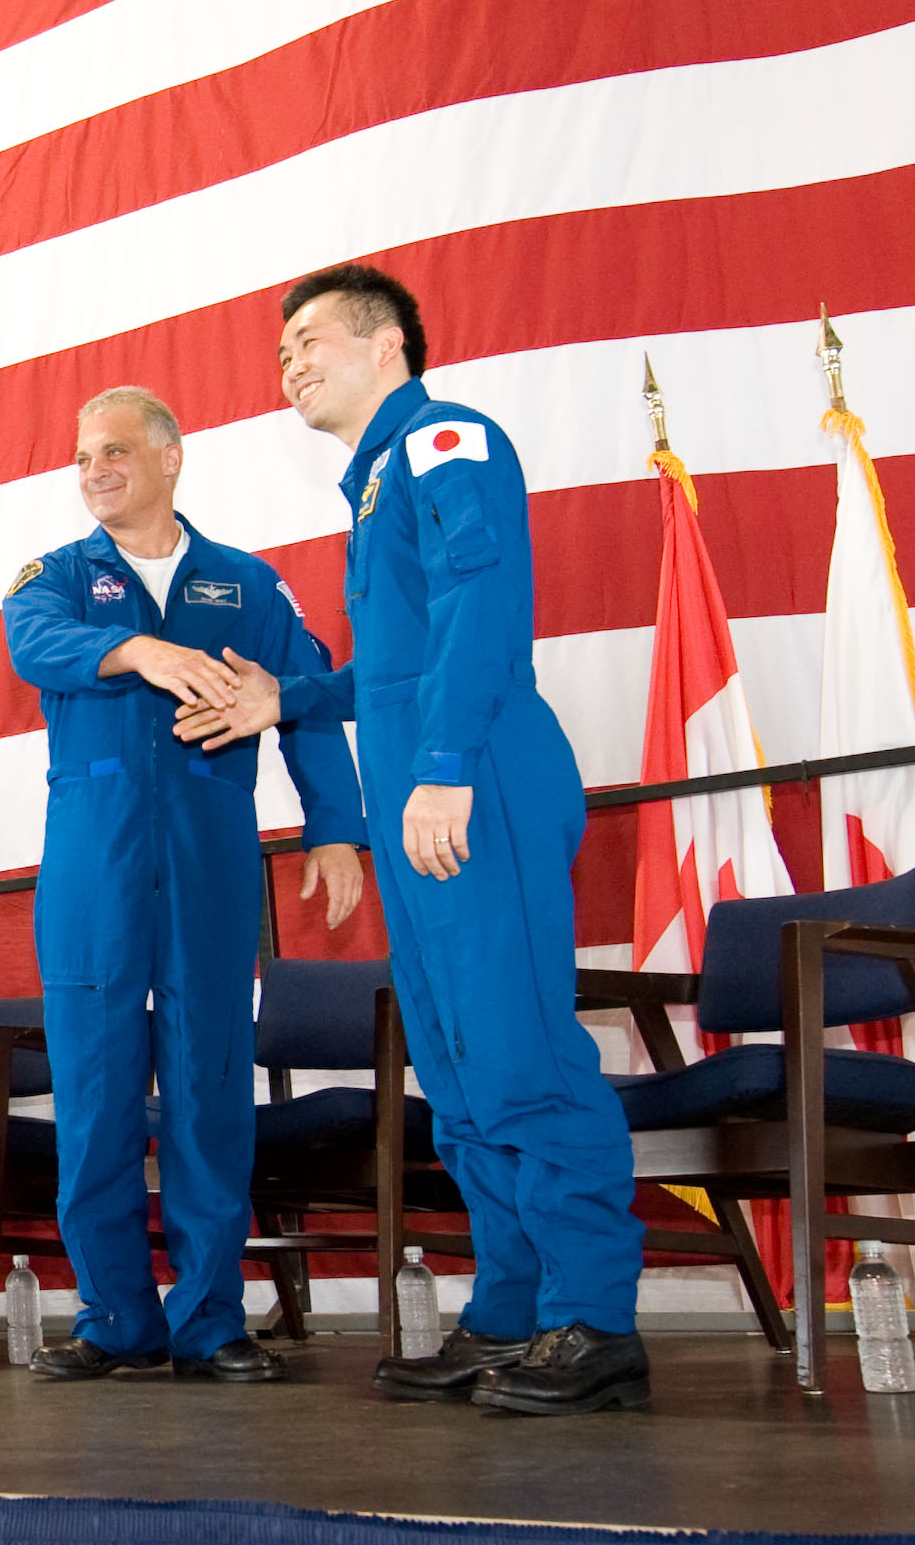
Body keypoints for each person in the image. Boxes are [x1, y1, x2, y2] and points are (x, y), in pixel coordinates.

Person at [177, 263, 648, 1414]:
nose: (290, 365)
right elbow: (392, 668)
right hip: (425, 807)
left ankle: (594, 1318)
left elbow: (485, 611)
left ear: (388, 342)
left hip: (475, 784)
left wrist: (440, 772)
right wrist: (287, 701)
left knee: (521, 1051)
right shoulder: (380, 481)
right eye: (280, 350)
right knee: (459, 1068)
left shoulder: (444, 440)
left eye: (310, 340)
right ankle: (515, 1313)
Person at [5, 387, 369, 1385]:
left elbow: (306, 703)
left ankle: (210, 1318)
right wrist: (135, 648)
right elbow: (29, 642)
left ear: (171, 456)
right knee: (94, 1093)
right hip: (92, 866)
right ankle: (116, 1316)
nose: (94, 470)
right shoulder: (59, 578)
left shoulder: (247, 584)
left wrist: (336, 830)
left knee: (211, 1085)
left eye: (115, 450)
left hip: (210, 858)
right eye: (82, 457)